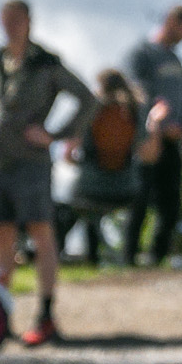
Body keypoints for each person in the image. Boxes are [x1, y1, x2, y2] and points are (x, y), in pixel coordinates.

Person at [0, 0, 96, 347]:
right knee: (1, 239)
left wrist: (55, 134)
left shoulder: (46, 64)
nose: (9, 26)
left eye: (15, 19)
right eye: (4, 19)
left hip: (31, 164)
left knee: (41, 234)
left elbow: (88, 98)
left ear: (28, 21)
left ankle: (46, 313)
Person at [121, 4, 182, 266]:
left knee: (171, 202)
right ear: (172, 22)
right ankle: (128, 257)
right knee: (139, 198)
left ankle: (157, 258)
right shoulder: (141, 54)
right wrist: (155, 126)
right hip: (147, 140)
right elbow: (137, 93)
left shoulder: (175, 59)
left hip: (173, 142)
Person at [67, 69, 146, 264]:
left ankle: (92, 258)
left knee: (82, 206)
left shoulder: (91, 110)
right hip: (127, 187)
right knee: (142, 192)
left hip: (90, 187)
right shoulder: (135, 111)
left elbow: (68, 155)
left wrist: (85, 164)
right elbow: (147, 154)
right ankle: (130, 256)